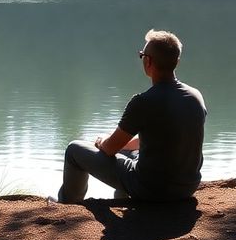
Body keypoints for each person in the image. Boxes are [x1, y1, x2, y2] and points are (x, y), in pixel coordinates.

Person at [57, 29, 206, 203]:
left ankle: (66, 204)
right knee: (130, 151)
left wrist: (101, 141)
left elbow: (109, 148)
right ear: (177, 62)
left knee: (74, 150)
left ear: (148, 61)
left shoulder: (143, 102)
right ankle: (122, 199)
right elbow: (165, 140)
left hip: (150, 189)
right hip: (187, 188)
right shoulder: (196, 97)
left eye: (142, 55)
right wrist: (125, 147)